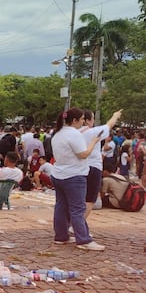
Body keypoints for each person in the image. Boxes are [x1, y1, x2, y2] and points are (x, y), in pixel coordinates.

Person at [50, 108, 107, 251]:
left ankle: (61, 236)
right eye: (81, 119)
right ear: (74, 120)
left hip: (58, 174)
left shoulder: (57, 134)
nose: (83, 122)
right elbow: (83, 154)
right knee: (77, 208)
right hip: (74, 175)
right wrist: (94, 142)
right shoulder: (74, 134)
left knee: (61, 207)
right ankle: (83, 240)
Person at [80, 109, 122, 219]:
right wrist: (115, 115)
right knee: (90, 200)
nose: (93, 121)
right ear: (87, 121)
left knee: (78, 198)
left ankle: (71, 224)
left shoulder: (74, 133)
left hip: (79, 168)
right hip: (93, 167)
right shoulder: (92, 132)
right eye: (93, 118)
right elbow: (109, 125)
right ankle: (78, 226)